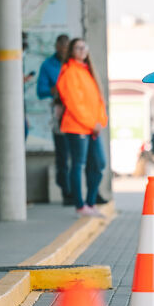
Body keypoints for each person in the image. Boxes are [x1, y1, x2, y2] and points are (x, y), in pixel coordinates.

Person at [56, 38, 108, 218]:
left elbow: (98, 101)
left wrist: (100, 122)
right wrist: (90, 123)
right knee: (78, 165)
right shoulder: (69, 71)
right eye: (78, 47)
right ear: (71, 51)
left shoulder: (87, 71)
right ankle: (80, 205)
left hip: (92, 128)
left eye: (84, 47)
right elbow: (74, 103)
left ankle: (90, 202)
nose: (82, 50)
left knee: (99, 163)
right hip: (77, 127)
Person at [37, 34, 72, 205]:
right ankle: (66, 192)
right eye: (62, 46)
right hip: (60, 116)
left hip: (78, 115)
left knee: (80, 157)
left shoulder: (76, 64)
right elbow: (41, 91)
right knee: (63, 156)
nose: (65, 50)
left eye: (68, 47)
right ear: (57, 47)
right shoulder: (48, 65)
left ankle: (80, 192)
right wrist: (56, 89)